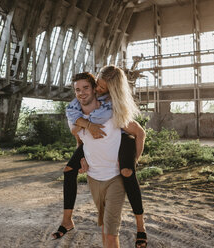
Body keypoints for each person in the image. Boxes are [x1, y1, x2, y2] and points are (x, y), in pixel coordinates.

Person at [53, 69, 147, 248]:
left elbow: (139, 133)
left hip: (115, 171)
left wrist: (134, 161)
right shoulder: (74, 112)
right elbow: (79, 136)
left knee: (111, 234)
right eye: (78, 90)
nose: (85, 92)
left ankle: (141, 227)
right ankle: (67, 220)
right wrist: (83, 155)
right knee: (105, 230)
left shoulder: (113, 110)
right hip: (94, 177)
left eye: (89, 87)